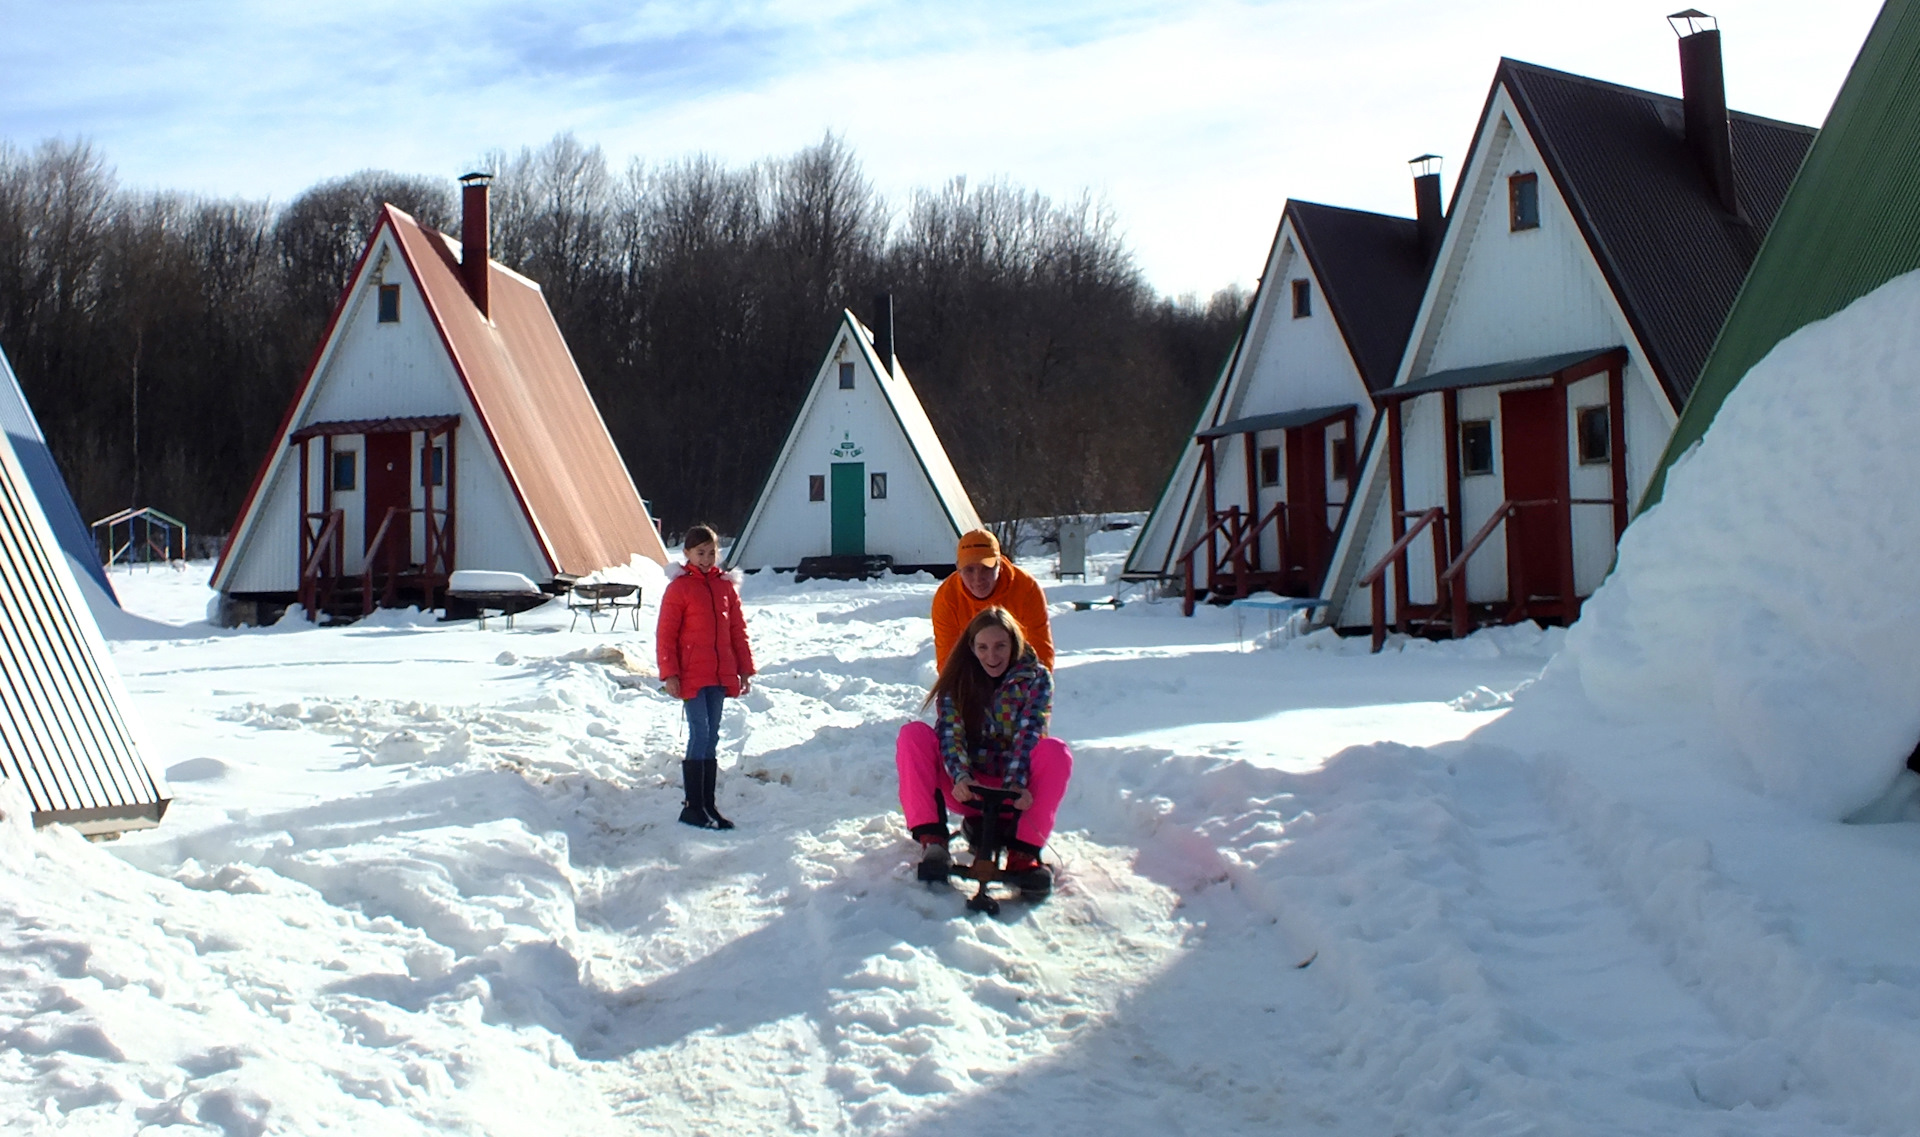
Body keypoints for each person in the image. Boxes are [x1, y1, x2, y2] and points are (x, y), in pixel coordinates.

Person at [896, 607, 1073, 889]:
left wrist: (1015, 784)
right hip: (966, 787)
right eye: (983, 647)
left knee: (1055, 751)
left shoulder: (1036, 679)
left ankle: (1023, 852)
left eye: (1001, 646)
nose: (992, 656)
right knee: (913, 735)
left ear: (1014, 644)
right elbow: (950, 732)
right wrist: (961, 776)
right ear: (972, 648)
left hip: (1016, 793)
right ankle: (933, 840)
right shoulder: (957, 681)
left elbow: (1029, 733)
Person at [656, 524, 756, 829]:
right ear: (687, 554)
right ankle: (692, 805)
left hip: (719, 672)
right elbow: (666, 633)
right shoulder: (679, 588)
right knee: (699, 732)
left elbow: (737, 631)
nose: (706, 558)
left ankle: (708, 803)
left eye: (712, 552)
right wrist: (670, 672)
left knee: (712, 735)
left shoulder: (725, 587)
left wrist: (744, 669)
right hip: (691, 675)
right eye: (700, 552)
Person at [930, 529, 1055, 672]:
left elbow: (1041, 651)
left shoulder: (1026, 588)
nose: (978, 579)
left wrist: (1034, 688)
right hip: (971, 672)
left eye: (986, 568)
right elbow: (947, 660)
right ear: (958, 568)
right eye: (969, 569)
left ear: (999, 565)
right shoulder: (946, 598)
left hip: (1016, 670)